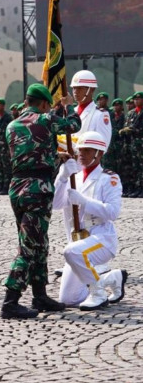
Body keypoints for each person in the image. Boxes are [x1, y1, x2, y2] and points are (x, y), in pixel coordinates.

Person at [1, 83, 81, 319]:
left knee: (39, 243)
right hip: (37, 189)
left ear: (26, 102)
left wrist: (55, 155)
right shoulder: (46, 120)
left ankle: (40, 295)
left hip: (17, 187)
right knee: (29, 246)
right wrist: (67, 107)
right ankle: (10, 301)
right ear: (45, 103)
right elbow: (75, 125)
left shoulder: (11, 125)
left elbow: (28, 152)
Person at [53, 132, 127, 310]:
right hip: (79, 241)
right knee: (68, 299)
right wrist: (62, 178)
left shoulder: (109, 179)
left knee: (71, 252)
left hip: (101, 239)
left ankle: (98, 294)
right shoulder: (74, 177)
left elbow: (112, 212)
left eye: (87, 150)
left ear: (99, 153)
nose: (81, 154)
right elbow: (56, 204)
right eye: (80, 150)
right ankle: (111, 278)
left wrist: (85, 202)